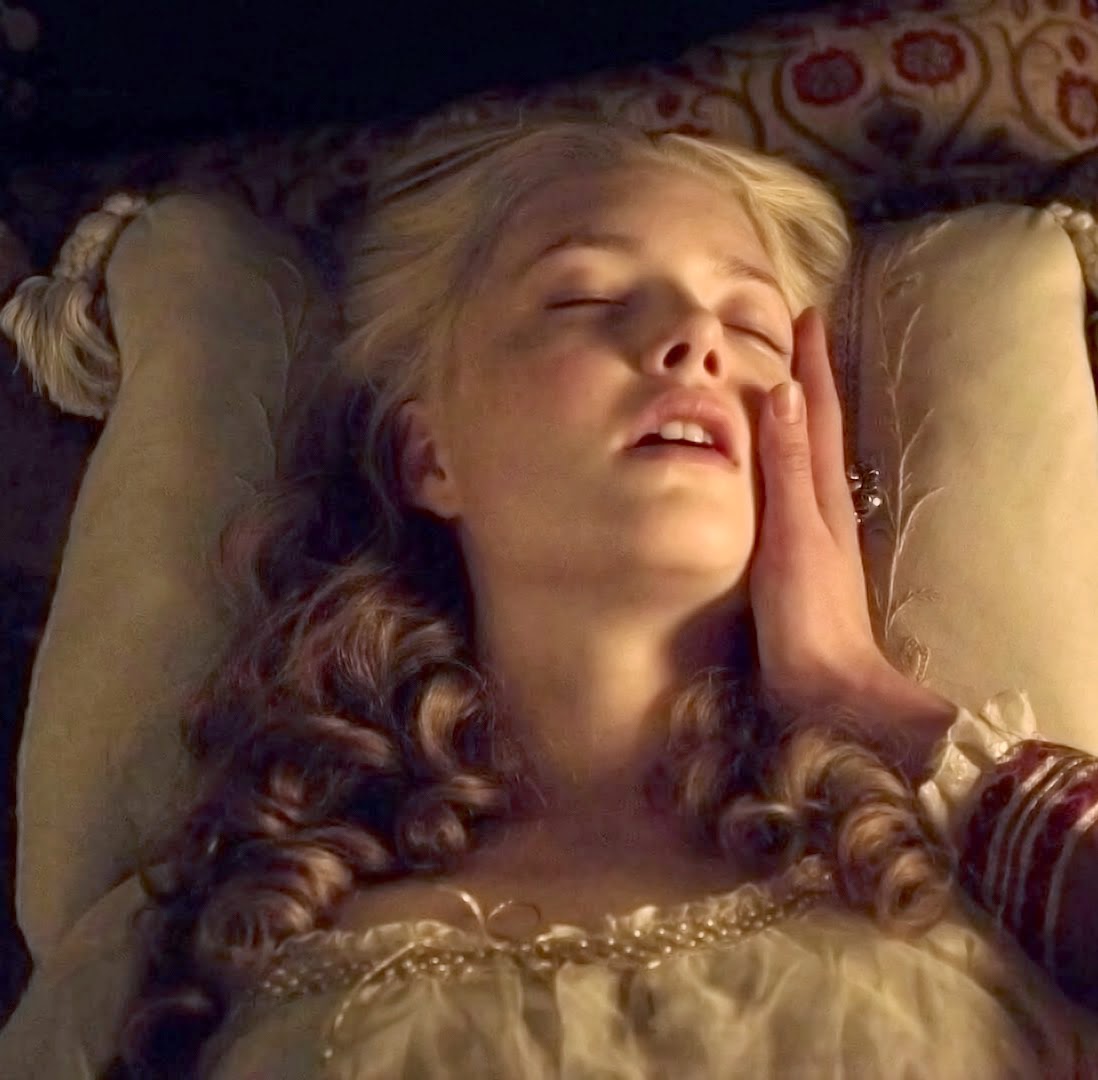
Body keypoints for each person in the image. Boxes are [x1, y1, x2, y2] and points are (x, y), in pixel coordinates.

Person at [49, 115, 1098, 1076]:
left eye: (753, 327)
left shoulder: (970, 874)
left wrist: (867, 701)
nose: (694, 340)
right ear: (429, 455)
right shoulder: (214, 941)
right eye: (585, 298)